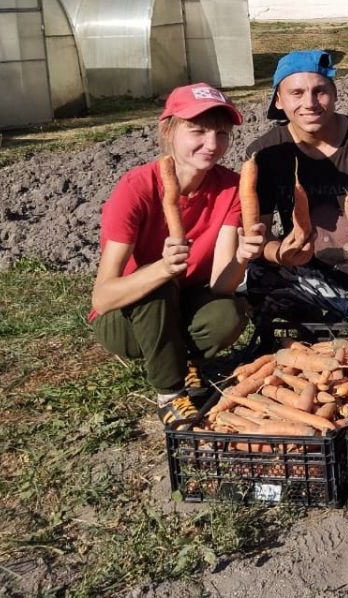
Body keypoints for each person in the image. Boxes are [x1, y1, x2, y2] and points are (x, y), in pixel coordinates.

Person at [91, 85, 264, 427]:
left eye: (221, 134)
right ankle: (169, 392)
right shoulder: (136, 188)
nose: (212, 144)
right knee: (156, 286)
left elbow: (220, 285)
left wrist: (243, 256)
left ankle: (186, 361)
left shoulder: (230, 187)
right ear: (167, 130)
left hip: (186, 306)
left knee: (227, 314)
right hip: (126, 320)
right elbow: (103, 295)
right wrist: (161, 268)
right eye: (197, 131)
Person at [245, 50, 348, 326]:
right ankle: (313, 327)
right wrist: (280, 253)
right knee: (258, 274)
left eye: (320, 91)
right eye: (296, 93)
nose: (309, 103)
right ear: (279, 99)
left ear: (334, 94)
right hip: (307, 275)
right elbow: (259, 233)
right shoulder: (264, 154)